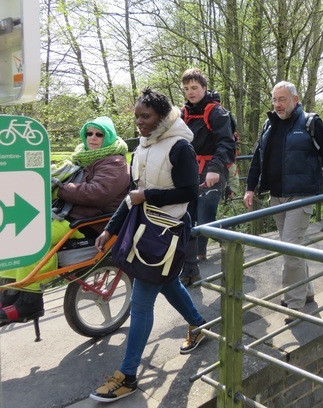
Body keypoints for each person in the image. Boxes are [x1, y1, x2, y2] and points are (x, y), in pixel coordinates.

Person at [90, 89, 207, 403]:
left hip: (167, 233)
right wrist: (110, 230)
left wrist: (149, 197)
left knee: (142, 302)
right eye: (137, 117)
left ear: (162, 116)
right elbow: (133, 195)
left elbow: (190, 192)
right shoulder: (141, 147)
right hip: (143, 230)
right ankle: (200, 324)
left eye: (146, 117)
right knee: (167, 283)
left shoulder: (180, 146)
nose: (140, 123)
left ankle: (128, 376)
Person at [0, 116, 129, 323]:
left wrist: (61, 190)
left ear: (109, 137)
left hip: (93, 223)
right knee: (14, 236)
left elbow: (97, 194)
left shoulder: (115, 162)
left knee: (35, 238)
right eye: (89, 133)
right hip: (69, 216)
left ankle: (31, 301)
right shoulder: (83, 157)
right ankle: (10, 292)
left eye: (99, 134)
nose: (93, 138)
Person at [243, 81, 323, 322]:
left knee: (289, 247)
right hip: (276, 195)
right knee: (292, 247)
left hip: (301, 195)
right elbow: (258, 157)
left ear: (295, 100)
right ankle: (306, 291)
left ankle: (295, 304)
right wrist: (249, 187)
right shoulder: (269, 125)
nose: (278, 104)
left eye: (283, 99)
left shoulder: (311, 123)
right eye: (275, 100)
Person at [179, 68, 236, 286]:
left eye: (194, 87)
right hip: (190, 172)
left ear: (204, 87)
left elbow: (226, 143)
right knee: (188, 219)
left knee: (205, 221)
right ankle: (191, 268)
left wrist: (214, 168)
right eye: (186, 88)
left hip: (214, 170)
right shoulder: (183, 113)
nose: (190, 92)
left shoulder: (216, 112)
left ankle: (233, 243)